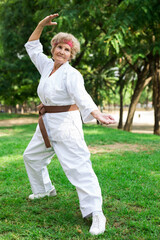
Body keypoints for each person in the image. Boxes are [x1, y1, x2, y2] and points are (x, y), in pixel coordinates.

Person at [23, 13, 116, 236]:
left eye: (67, 49)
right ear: (53, 48)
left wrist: (97, 114)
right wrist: (40, 25)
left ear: (71, 54)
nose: (62, 51)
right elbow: (32, 46)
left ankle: (96, 213)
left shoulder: (71, 74)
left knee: (79, 168)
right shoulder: (46, 67)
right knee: (31, 157)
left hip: (66, 127)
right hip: (45, 124)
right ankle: (45, 190)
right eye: (59, 47)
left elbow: (81, 96)